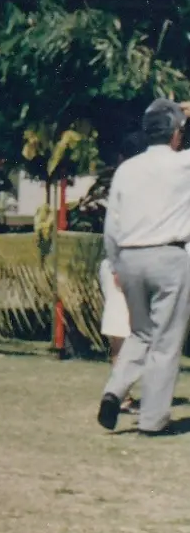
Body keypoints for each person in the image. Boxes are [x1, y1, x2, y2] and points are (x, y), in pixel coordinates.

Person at [98, 97, 190, 435]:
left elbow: (112, 225)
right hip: (169, 256)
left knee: (140, 333)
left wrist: (116, 264)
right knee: (165, 341)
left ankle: (114, 390)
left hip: (130, 257)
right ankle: (152, 420)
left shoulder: (127, 170)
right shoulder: (183, 165)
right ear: (175, 134)